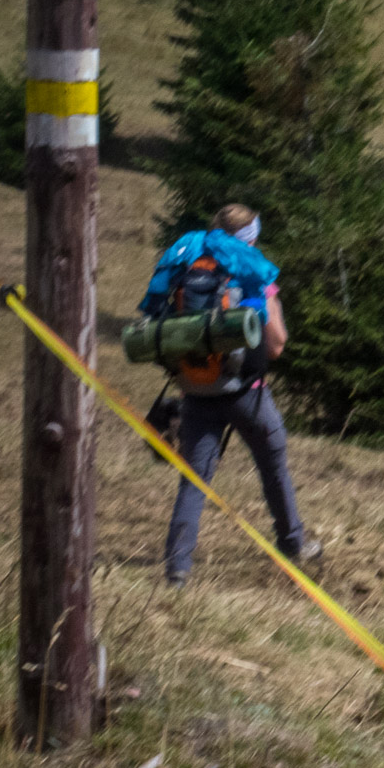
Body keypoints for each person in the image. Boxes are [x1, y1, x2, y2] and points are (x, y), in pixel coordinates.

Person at [154, 204, 321, 586]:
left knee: (194, 480)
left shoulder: (188, 266)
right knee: (273, 462)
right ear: (251, 236)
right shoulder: (252, 271)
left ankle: (177, 568)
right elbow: (276, 344)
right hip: (246, 391)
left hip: (196, 388)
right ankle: (293, 542)